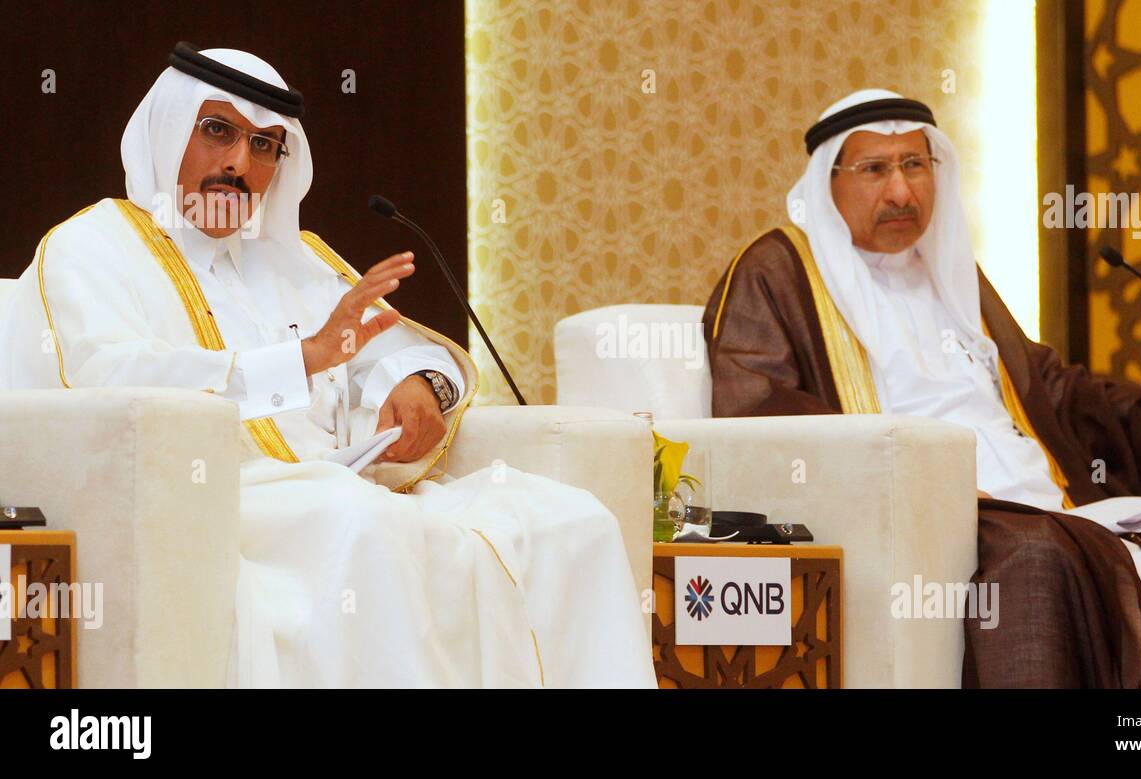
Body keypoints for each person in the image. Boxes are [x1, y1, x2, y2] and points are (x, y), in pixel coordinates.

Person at [0, 43, 655, 688]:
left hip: (340, 486)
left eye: (264, 145)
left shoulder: (292, 257)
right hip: (224, 497)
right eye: (218, 131)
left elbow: (396, 348)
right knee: (363, 528)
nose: (238, 163)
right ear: (170, 130)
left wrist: (417, 386)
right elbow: (109, 379)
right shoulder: (94, 246)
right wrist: (303, 358)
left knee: (574, 522)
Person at [704, 88, 1141, 687]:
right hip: (934, 511)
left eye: (915, 165)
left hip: (1045, 505)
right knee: (1037, 559)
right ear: (827, 182)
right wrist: (923, 475)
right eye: (875, 170)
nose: (901, 192)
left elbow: (1047, 384)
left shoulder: (947, 268)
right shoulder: (778, 270)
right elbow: (757, 410)